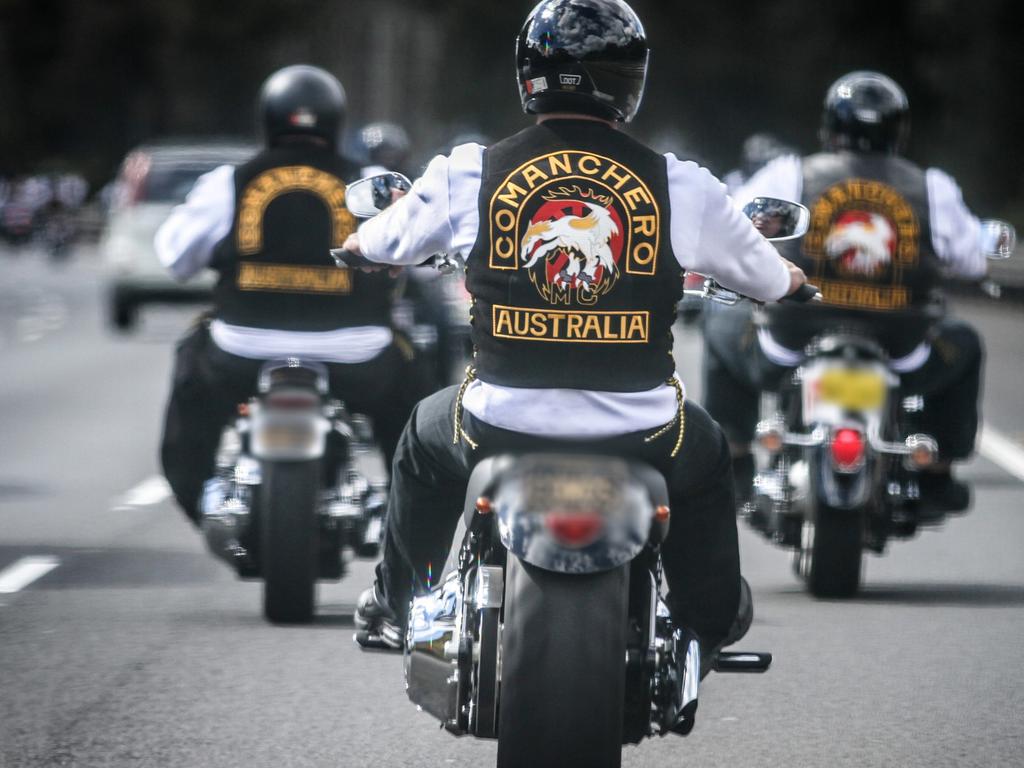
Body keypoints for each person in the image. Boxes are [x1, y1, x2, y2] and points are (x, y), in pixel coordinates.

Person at [339, 0, 807, 655]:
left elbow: (382, 239)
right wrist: (794, 284)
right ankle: (708, 620)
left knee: (421, 440)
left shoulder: (470, 171)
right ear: (631, 81)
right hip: (644, 428)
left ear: (527, 73)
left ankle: (400, 602)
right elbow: (768, 276)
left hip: (498, 419)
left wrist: (358, 249)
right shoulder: (682, 186)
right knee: (707, 460)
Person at [704, 70, 987, 513]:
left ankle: (736, 455)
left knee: (718, 322)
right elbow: (971, 259)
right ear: (899, 129)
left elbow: (737, 227)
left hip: (792, 336)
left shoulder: (791, 173)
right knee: (965, 343)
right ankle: (937, 473)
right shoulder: (932, 186)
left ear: (829, 127)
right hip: (900, 345)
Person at [155, 65, 427, 525]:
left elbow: (176, 258)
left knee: (191, 371)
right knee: (419, 398)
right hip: (358, 353)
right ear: (336, 121)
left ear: (268, 118)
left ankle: (201, 498)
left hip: (241, 348)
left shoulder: (231, 181)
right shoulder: (373, 179)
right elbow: (418, 248)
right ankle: (407, 516)